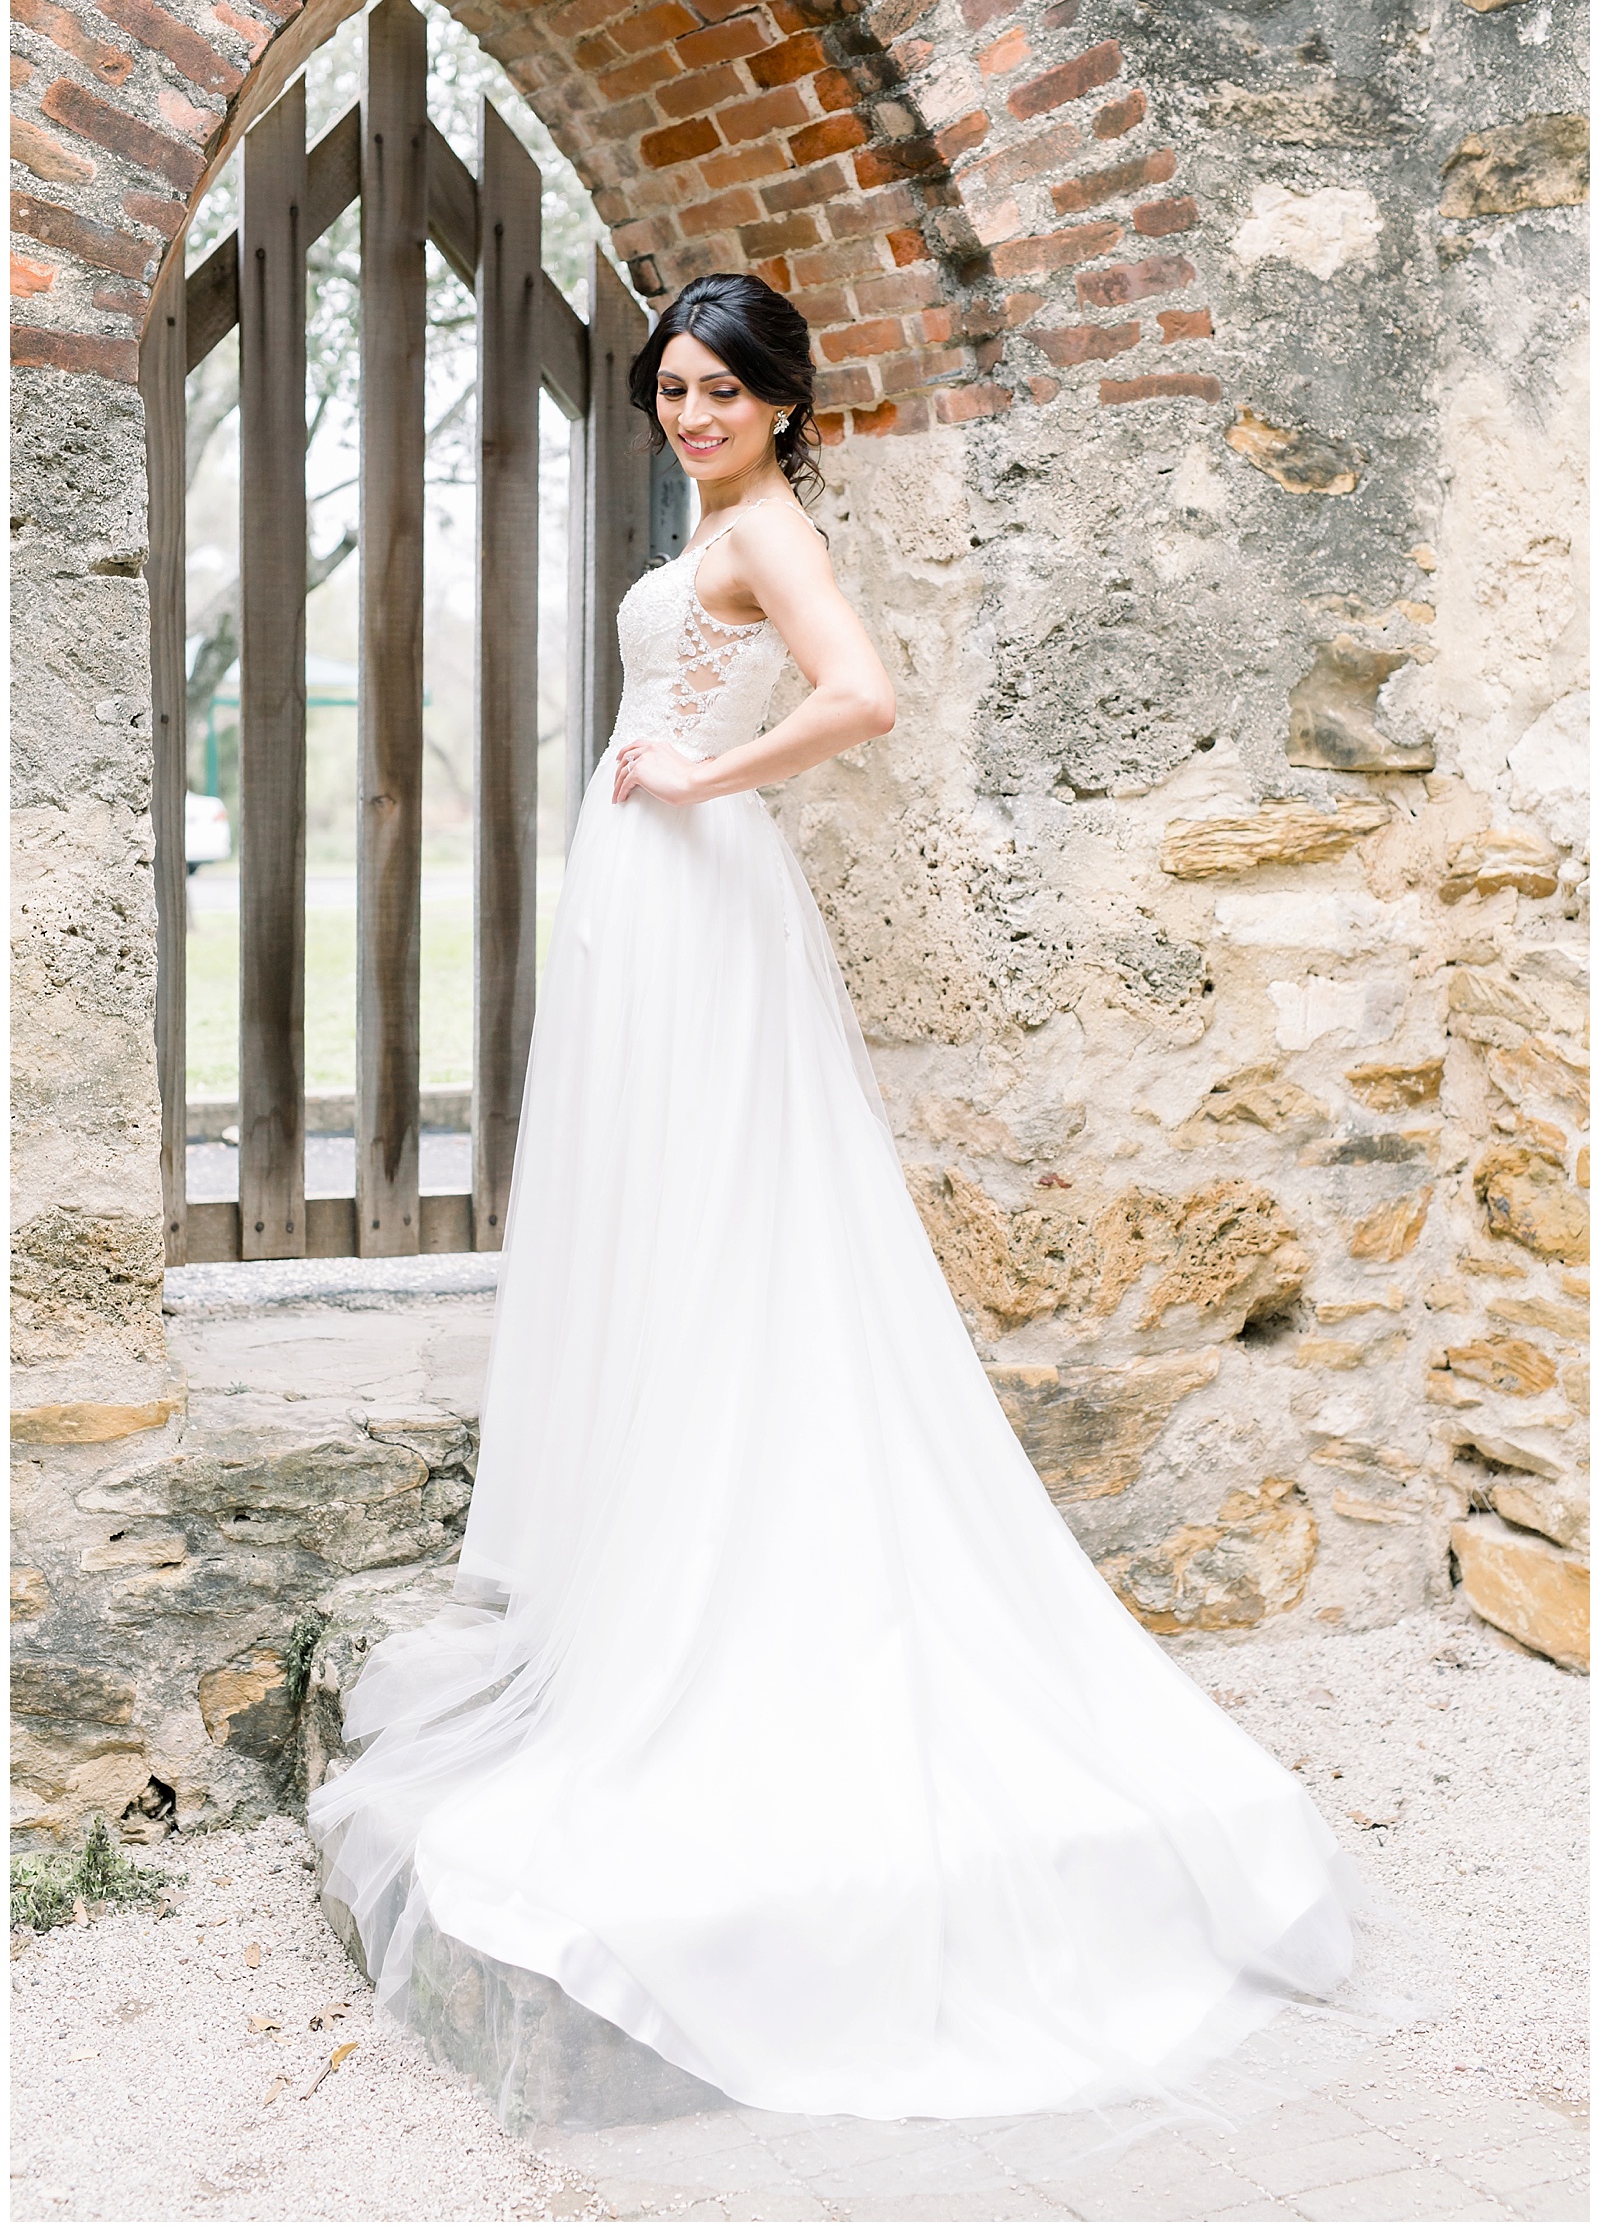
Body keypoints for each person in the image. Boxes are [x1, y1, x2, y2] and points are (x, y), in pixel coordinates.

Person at [309, 271, 1362, 2123]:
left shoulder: (769, 527)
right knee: (671, 1234)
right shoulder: (719, 519)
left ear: (787, 407)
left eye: (723, 392)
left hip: (703, 891)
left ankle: (740, 1568)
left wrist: (712, 770)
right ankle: (651, 1538)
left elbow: (862, 691)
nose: (692, 413)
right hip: (658, 895)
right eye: (674, 388)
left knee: (738, 1229)